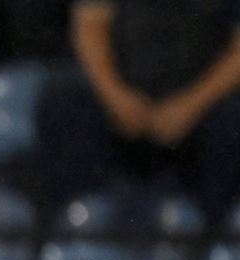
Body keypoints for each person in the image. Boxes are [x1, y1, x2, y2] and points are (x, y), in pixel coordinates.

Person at [37, 1, 240, 222]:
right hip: (123, 100)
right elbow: (89, 27)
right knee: (65, 100)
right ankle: (78, 226)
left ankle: (210, 234)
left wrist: (189, 107)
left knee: (232, 120)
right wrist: (116, 98)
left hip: (200, 103)